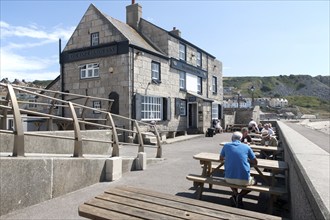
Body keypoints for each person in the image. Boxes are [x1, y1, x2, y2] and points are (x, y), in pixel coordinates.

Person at [220, 132, 258, 208]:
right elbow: (255, 162)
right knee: (255, 182)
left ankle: (235, 194)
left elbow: (221, 159)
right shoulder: (246, 147)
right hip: (244, 180)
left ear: (232, 138)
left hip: (228, 179)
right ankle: (239, 196)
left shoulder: (226, 146)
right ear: (241, 139)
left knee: (232, 175)